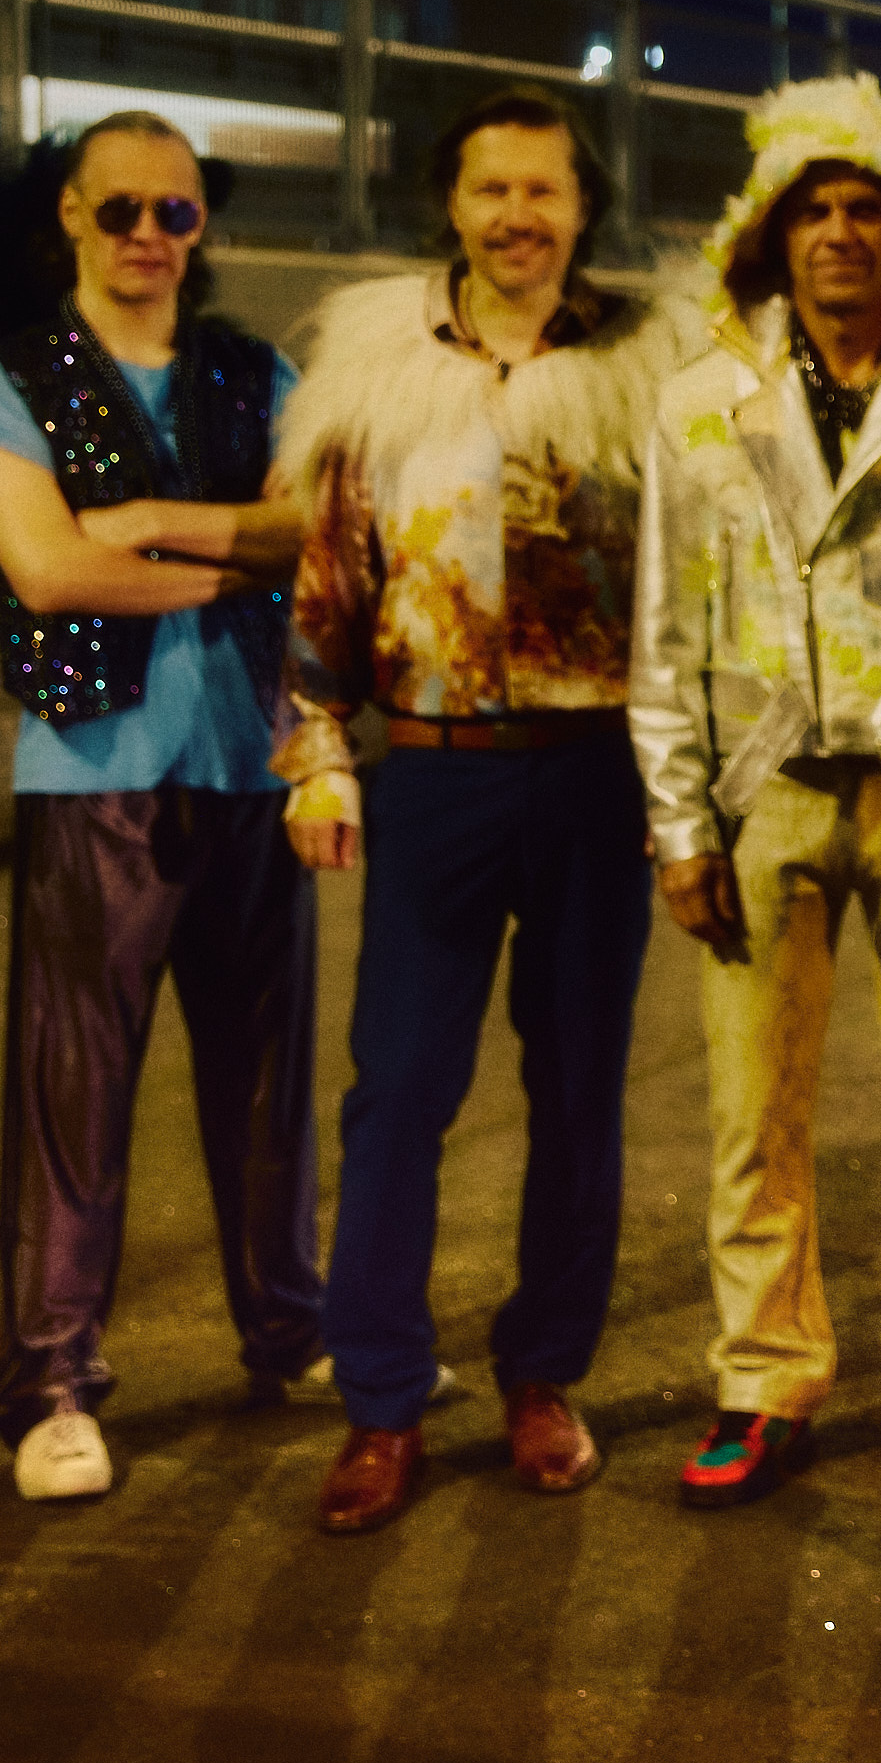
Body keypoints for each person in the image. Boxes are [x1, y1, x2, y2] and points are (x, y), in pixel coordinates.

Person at [278, 89, 697, 1536]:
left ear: (583, 208)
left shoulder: (649, 366)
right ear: (450, 206)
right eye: (491, 189)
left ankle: (543, 1375)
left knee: (578, 1088)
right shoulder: (381, 366)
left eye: (545, 189)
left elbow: (692, 576)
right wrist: (320, 745)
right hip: (435, 768)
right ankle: (382, 1400)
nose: (519, 215)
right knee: (398, 1087)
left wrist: (687, 780)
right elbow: (331, 564)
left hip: (597, 774)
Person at [631, 75, 881, 1506]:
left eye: (867, 209)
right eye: (814, 211)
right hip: (765, 790)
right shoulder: (703, 399)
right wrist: (680, 825)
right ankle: (763, 1375)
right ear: (771, 236)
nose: (841, 233)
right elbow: (664, 627)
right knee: (752, 1116)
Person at [0, 113, 320, 1500]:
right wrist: (237, 562)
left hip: (252, 766)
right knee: (73, 1096)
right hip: (91, 774)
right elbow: (48, 572)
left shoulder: (256, 370)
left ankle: (291, 1328)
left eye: (177, 212)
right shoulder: (6, 379)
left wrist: (151, 525)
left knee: (269, 1085)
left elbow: (311, 531)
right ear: (72, 217)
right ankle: (50, 1384)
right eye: (121, 211)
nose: (150, 236)